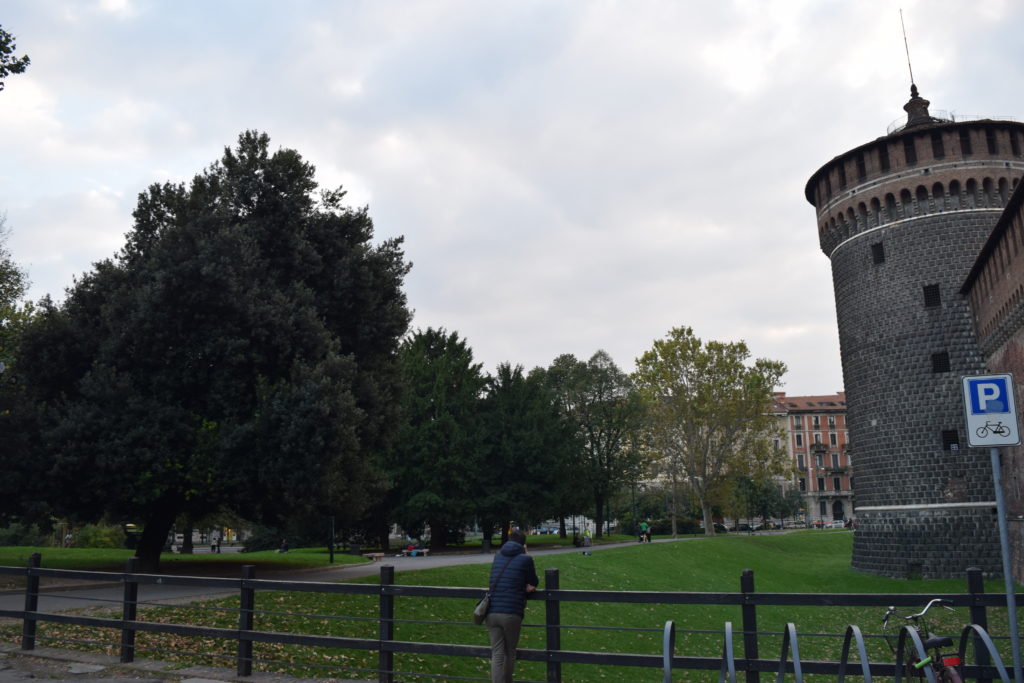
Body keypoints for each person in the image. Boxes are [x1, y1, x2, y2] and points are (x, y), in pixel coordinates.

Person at [485, 529, 538, 683]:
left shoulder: (498, 555)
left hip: (492, 610)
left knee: (497, 653)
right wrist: (526, 554)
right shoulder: (525, 559)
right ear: (523, 544)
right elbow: (533, 581)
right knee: (510, 652)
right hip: (511, 612)